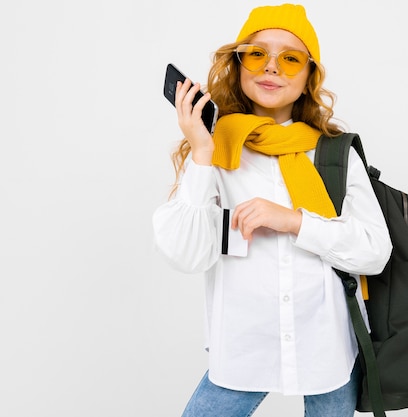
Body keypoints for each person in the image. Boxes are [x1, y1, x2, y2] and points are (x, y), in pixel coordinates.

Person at [152, 4, 392, 416]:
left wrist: (294, 221)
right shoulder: (217, 150)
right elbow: (186, 253)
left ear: (308, 77)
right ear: (239, 63)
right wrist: (203, 151)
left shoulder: (333, 152)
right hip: (245, 345)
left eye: (291, 58)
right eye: (258, 54)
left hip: (328, 346)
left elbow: (374, 251)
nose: (273, 68)